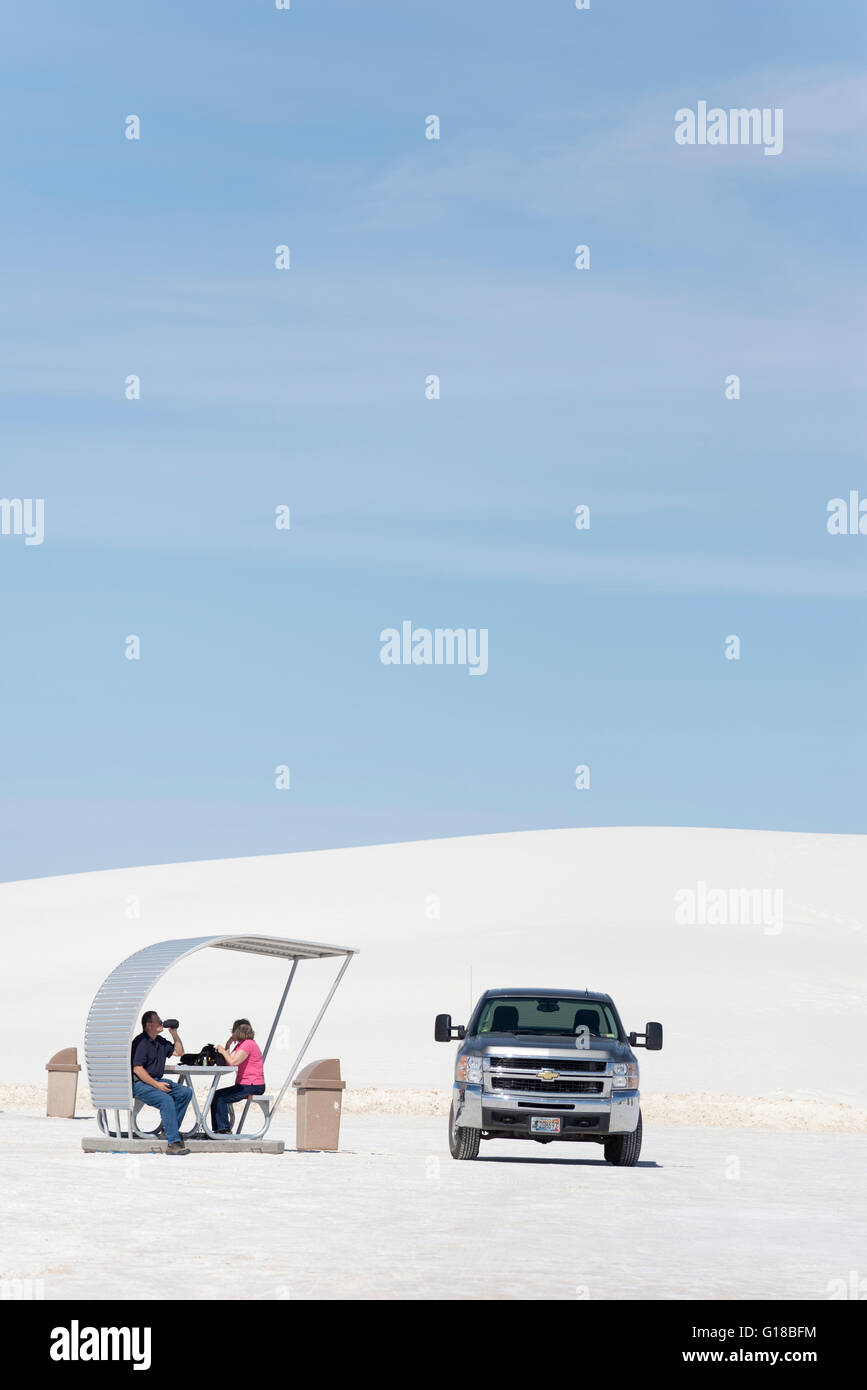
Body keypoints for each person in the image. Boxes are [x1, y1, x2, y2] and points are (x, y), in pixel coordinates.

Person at [130, 1011, 193, 1155]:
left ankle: (169, 1130)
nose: (161, 1023)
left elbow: (179, 1052)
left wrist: (174, 1033)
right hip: (140, 1083)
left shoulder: (160, 1041)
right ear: (148, 1025)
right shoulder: (141, 1042)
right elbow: (138, 1069)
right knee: (166, 1100)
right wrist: (157, 1085)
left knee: (185, 1092)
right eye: (158, 1021)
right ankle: (173, 1143)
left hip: (156, 1081)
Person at [209, 1019, 266, 1135]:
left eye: (233, 1032)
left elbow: (233, 1062)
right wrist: (228, 1046)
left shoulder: (248, 1044)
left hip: (253, 1085)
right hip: (245, 1085)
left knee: (220, 1097)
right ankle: (219, 1129)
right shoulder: (241, 1045)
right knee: (216, 1095)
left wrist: (223, 1051)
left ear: (237, 1032)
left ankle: (223, 1129)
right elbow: (228, 1062)